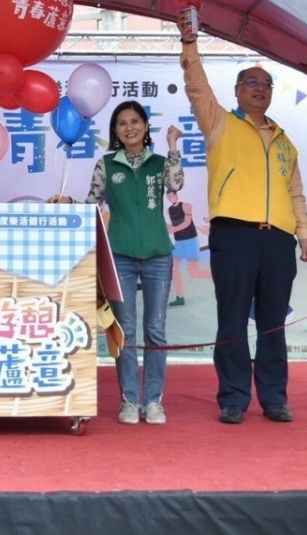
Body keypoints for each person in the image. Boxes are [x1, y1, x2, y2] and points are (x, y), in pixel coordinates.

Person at [177, 9, 307, 425]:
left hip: (278, 241)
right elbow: (197, 89)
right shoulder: (220, 124)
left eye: (265, 84)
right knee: (233, 318)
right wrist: (189, 43)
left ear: (271, 94)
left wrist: (304, 234)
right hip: (233, 235)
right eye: (251, 83)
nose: (259, 89)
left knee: (273, 322)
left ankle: (274, 397)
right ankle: (233, 397)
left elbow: (295, 191)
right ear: (237, 91)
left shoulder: (285, 141)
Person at [50, 103, 184, 425]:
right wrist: (67, 202)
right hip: (120, 256)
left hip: (158, 256)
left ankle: (153, 401)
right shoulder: (107, 165)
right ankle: (129, 401)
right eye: (122, 124)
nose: (129, 128)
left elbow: (176, 185)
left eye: (134, 121)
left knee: (155, 330)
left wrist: (173, 146)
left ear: (145, 125)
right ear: (115, 132)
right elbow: (92, 205)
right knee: (122, 331)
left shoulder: (159, 163)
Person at [166, 189, 209, 308]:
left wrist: (173, 229)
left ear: (176, 195)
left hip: (190, 241)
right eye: (168, 196)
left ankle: (219, 278)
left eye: (172, 195)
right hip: (179, 243)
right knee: (174, 268)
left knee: (194, 273)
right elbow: (174, 225)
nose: (170, 198)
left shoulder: (186, 206)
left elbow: (186, 222)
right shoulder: (169, 210)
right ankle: (180, 297)